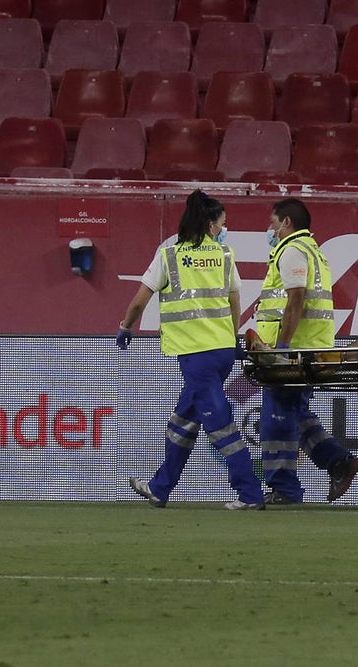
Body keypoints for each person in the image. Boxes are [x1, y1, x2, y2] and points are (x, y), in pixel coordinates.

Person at [116, 189, 265, 510]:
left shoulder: (169, 255)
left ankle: (250, 494)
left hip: (196, 355)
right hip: (222, 352)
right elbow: (235, 301)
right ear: (210, 225)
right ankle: (160, 488)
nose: (224, 229)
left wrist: (126, 326)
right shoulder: (224, 254)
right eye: (222, 223)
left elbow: (140, 299)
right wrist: (232, 337)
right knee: (182, 421)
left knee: (220, 424)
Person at [256, 198, 358, 504]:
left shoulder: (292, 250)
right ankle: (337, 461)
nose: (270, 229)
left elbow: (296, 299)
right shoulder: (314, 251)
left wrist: (282, 347)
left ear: (287, 222)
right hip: (310, 346)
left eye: (273, 223)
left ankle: (284, 489)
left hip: (294, 350)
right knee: (296, 412)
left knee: (276, 418)